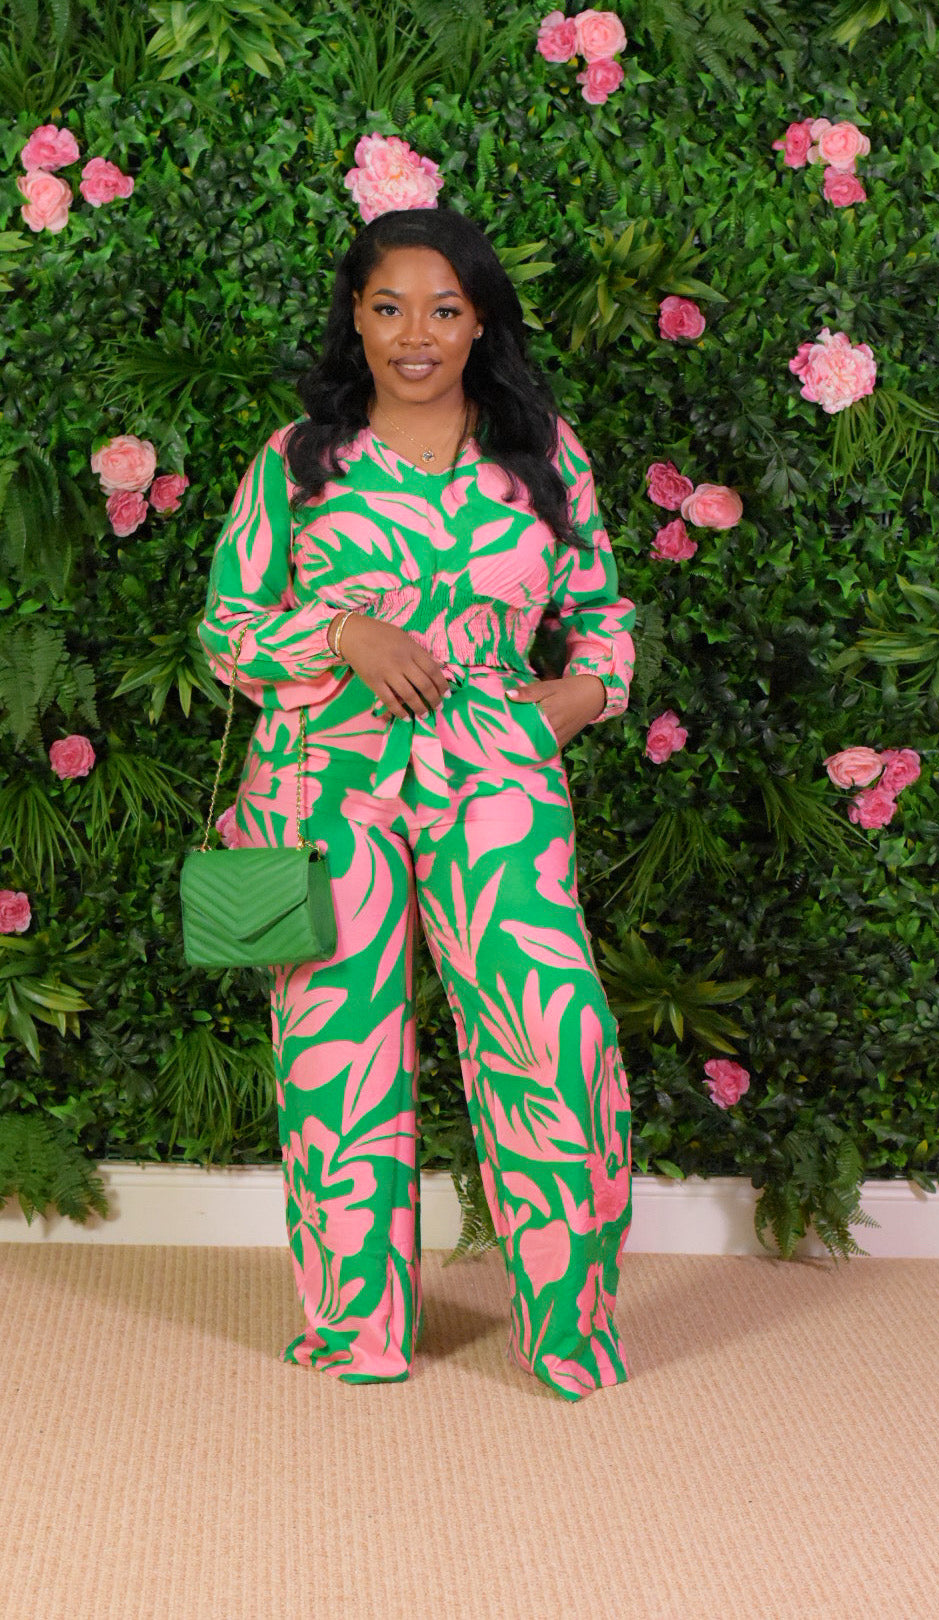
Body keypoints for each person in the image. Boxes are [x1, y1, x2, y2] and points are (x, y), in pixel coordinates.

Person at [198, 205, 636, 1402]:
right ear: (356, 316)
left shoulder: (541, 452)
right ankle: (358, 1330)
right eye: (389, 307)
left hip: (497, 776)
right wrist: (344, 632)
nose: (415, 334)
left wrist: (583, 695)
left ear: (479, 320)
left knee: (555, 1033)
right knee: (336, 1058)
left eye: (444, 310)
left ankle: (571, 1328)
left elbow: (601, 609)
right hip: (320, 789)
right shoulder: (298, 461)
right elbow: (227, 630)